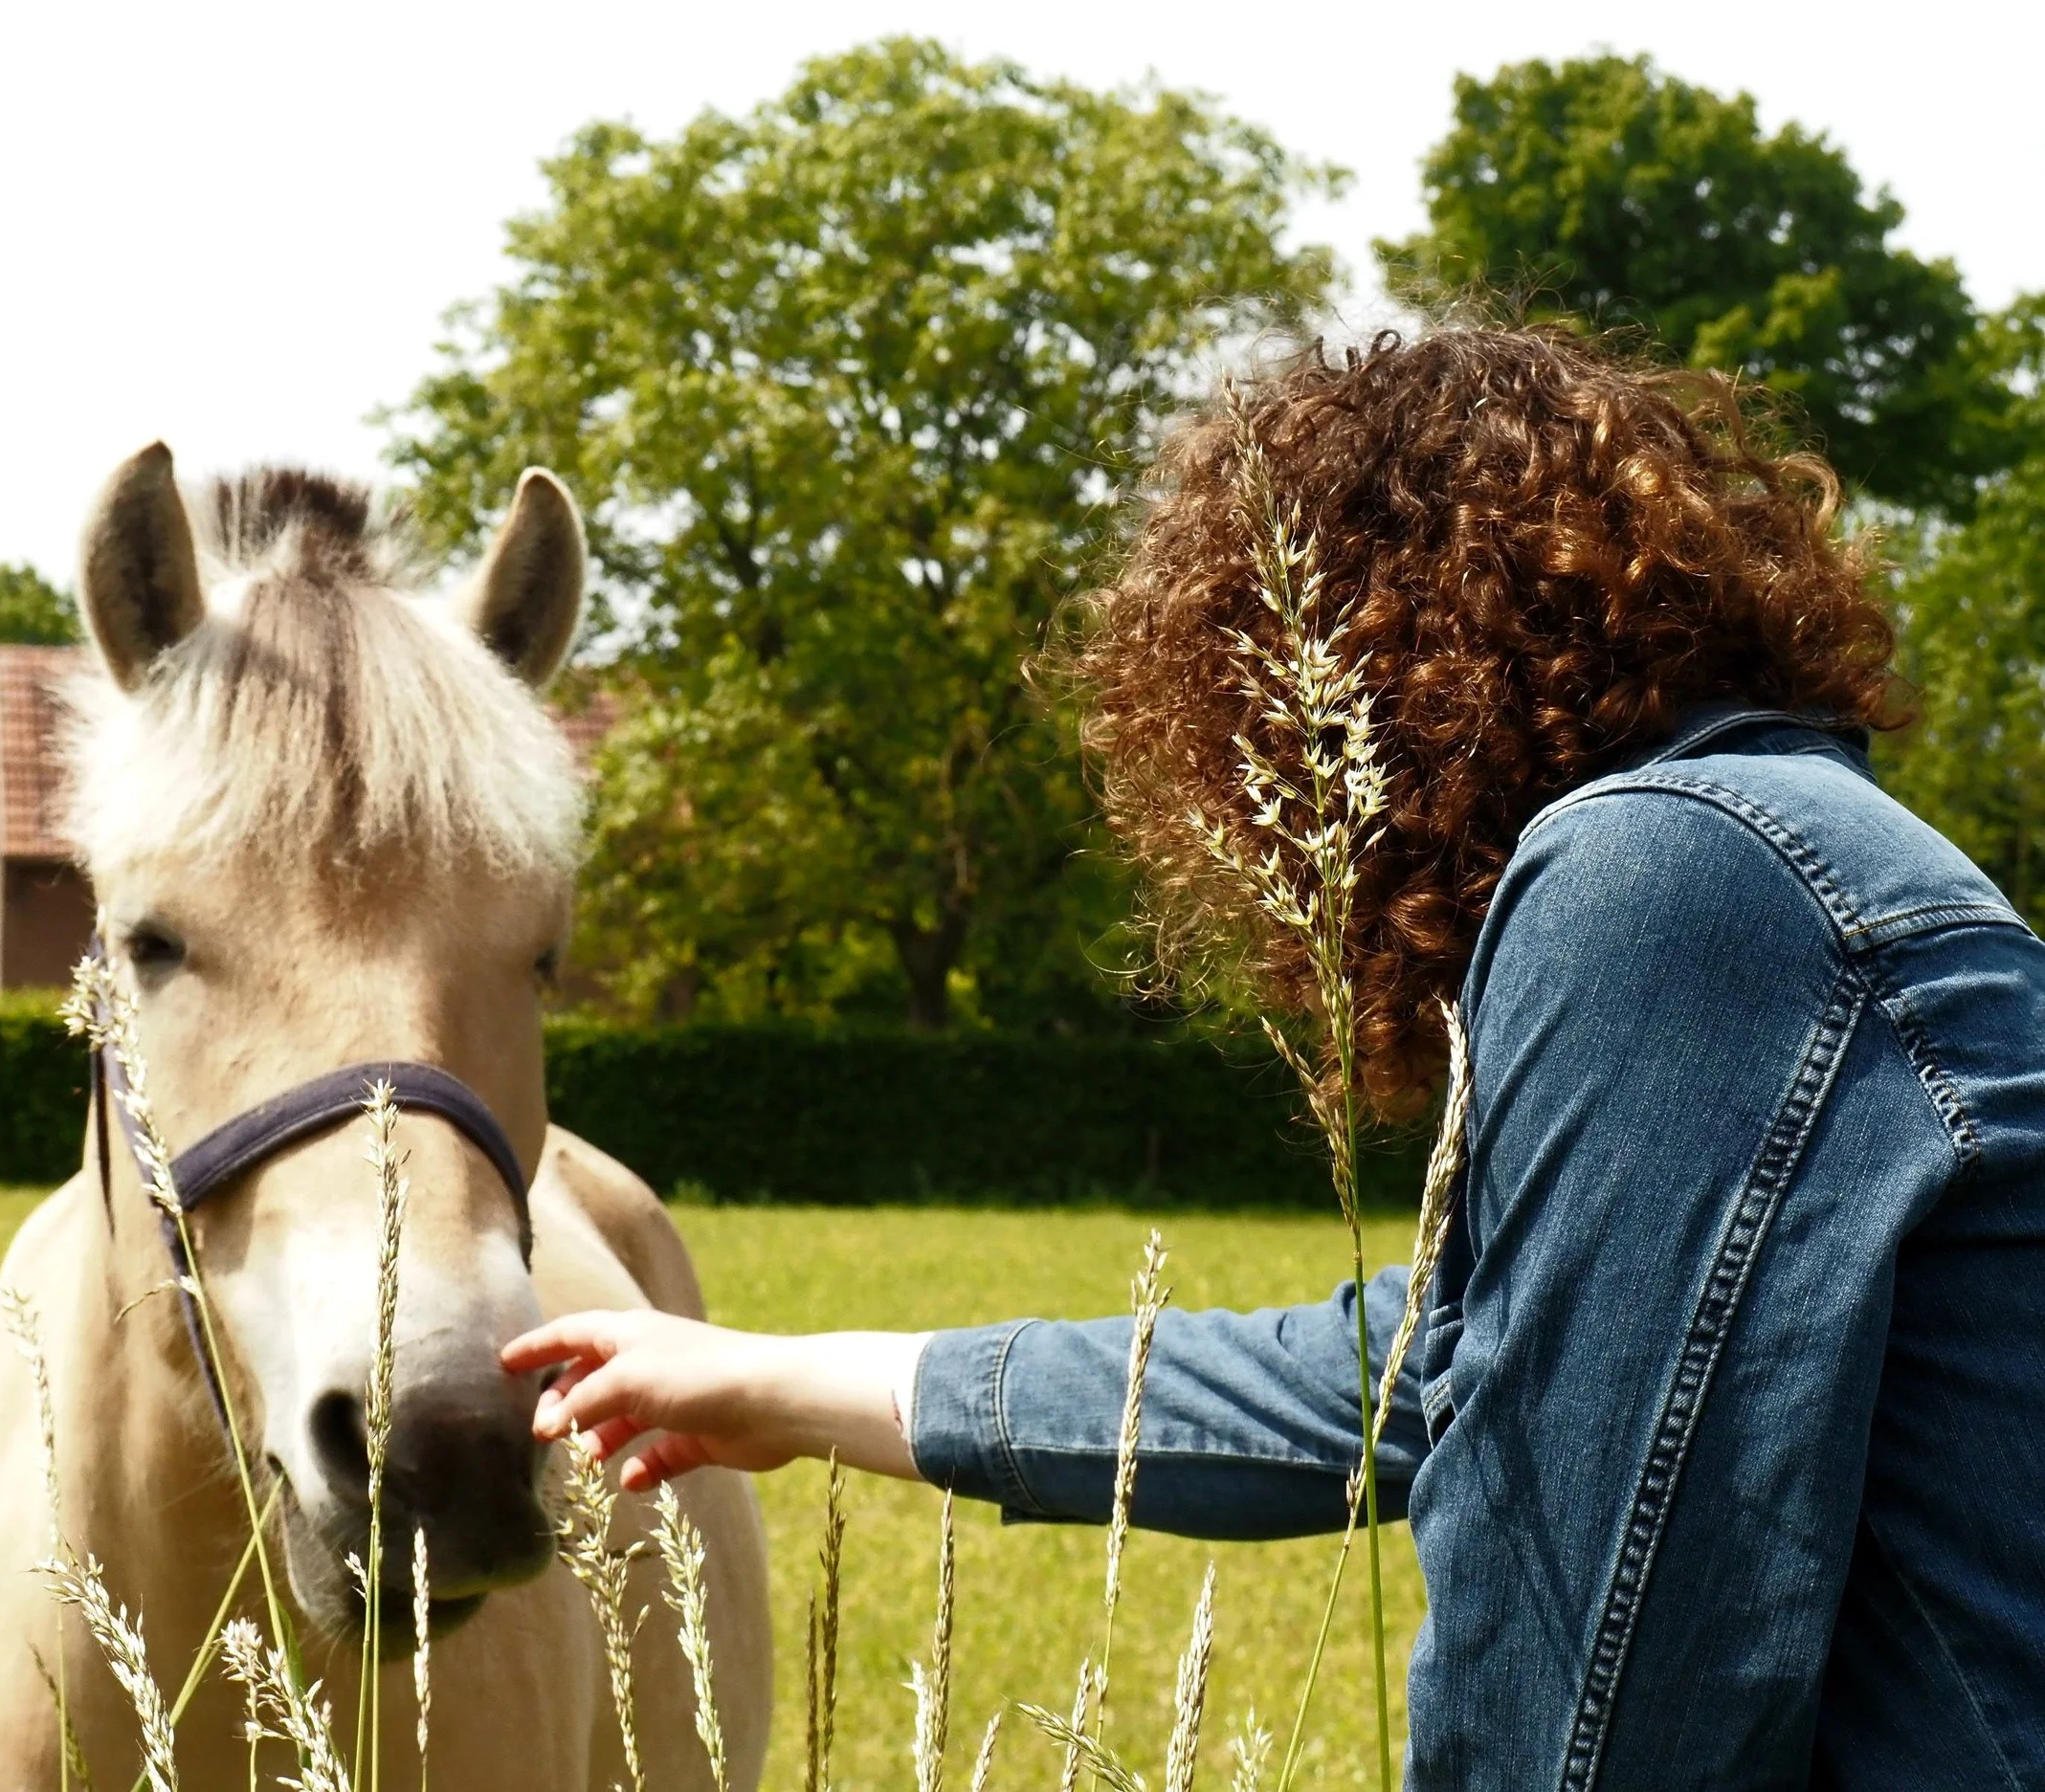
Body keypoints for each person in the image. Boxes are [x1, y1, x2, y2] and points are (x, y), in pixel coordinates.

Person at [503, 328, 2045, 1786]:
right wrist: (787, 1378)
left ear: (1377, 676)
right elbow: (1410, 1372)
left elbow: (1597, 1650)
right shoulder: (1793, 859)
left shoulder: (1675, 883)